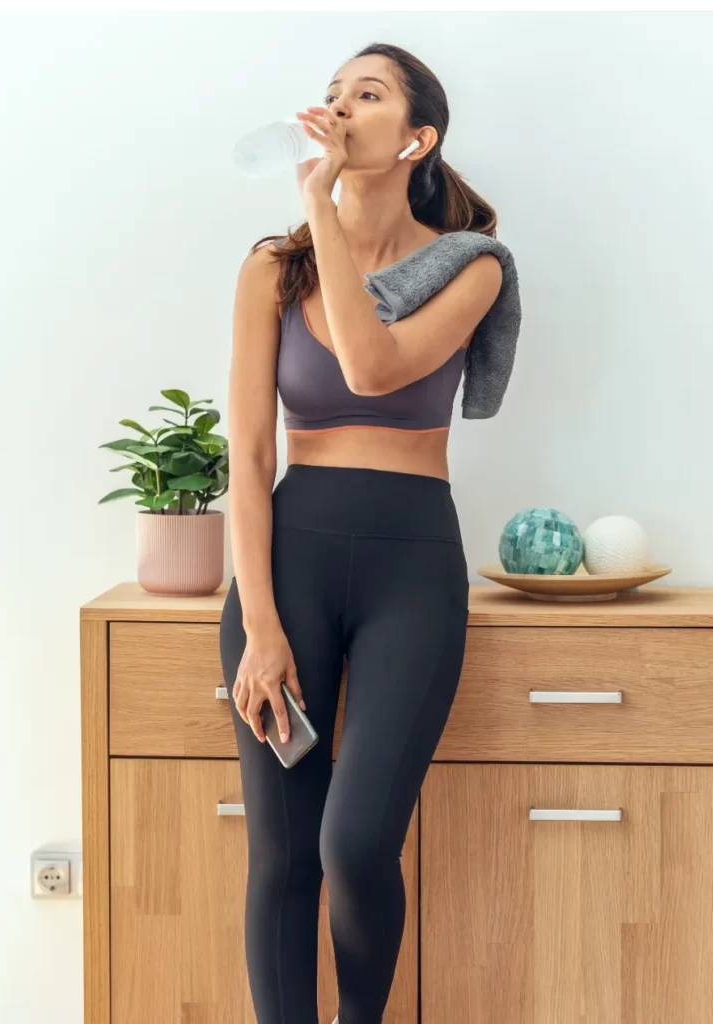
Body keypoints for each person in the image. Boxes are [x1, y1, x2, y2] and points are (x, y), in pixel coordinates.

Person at [219, 41, 504, 1024]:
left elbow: (370, 367)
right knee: (285, 852)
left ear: (416, 137)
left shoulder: (471, 269)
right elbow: (248, 460)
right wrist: (259, 626)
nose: (337, 108)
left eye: (367, 95)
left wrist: (318, 207)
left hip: (411, 568)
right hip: (286, 564)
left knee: (351, 844)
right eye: (331, 92)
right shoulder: (270, 269)